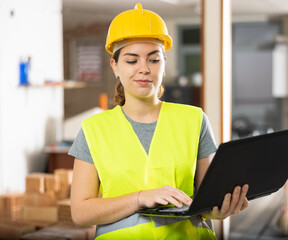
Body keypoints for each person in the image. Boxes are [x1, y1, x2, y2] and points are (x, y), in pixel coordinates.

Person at [69, 3, 249, 239]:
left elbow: (206, 207)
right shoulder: (93, 130)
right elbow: (80, 213)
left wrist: (221, 210)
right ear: (115, 66)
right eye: (132, 61)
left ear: (164, 65)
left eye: (153, 60)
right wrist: (140, 198)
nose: (143, 69)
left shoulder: (194, 120)